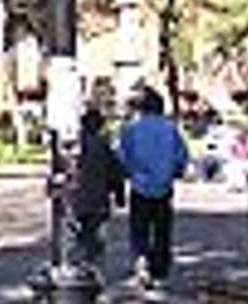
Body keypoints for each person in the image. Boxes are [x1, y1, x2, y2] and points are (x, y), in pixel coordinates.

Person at [116, 85, 189, 289]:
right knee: (162, 228)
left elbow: (121, 157)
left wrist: (129, 173)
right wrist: (175, 171)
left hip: (140, 185)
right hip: (164, 186)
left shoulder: (130, 129)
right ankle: (160, 266)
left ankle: (142, 262)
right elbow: (182, 155)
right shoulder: (170, 128)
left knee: (139, 227)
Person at [72, 108, 126, 267]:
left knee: (82, 231)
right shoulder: (103, 146)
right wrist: (119, 194)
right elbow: (115, 172)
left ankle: (82, 260)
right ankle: (91, 263)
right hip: (98, 200)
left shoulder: (75, 147)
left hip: (78, 199)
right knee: (95, 234)